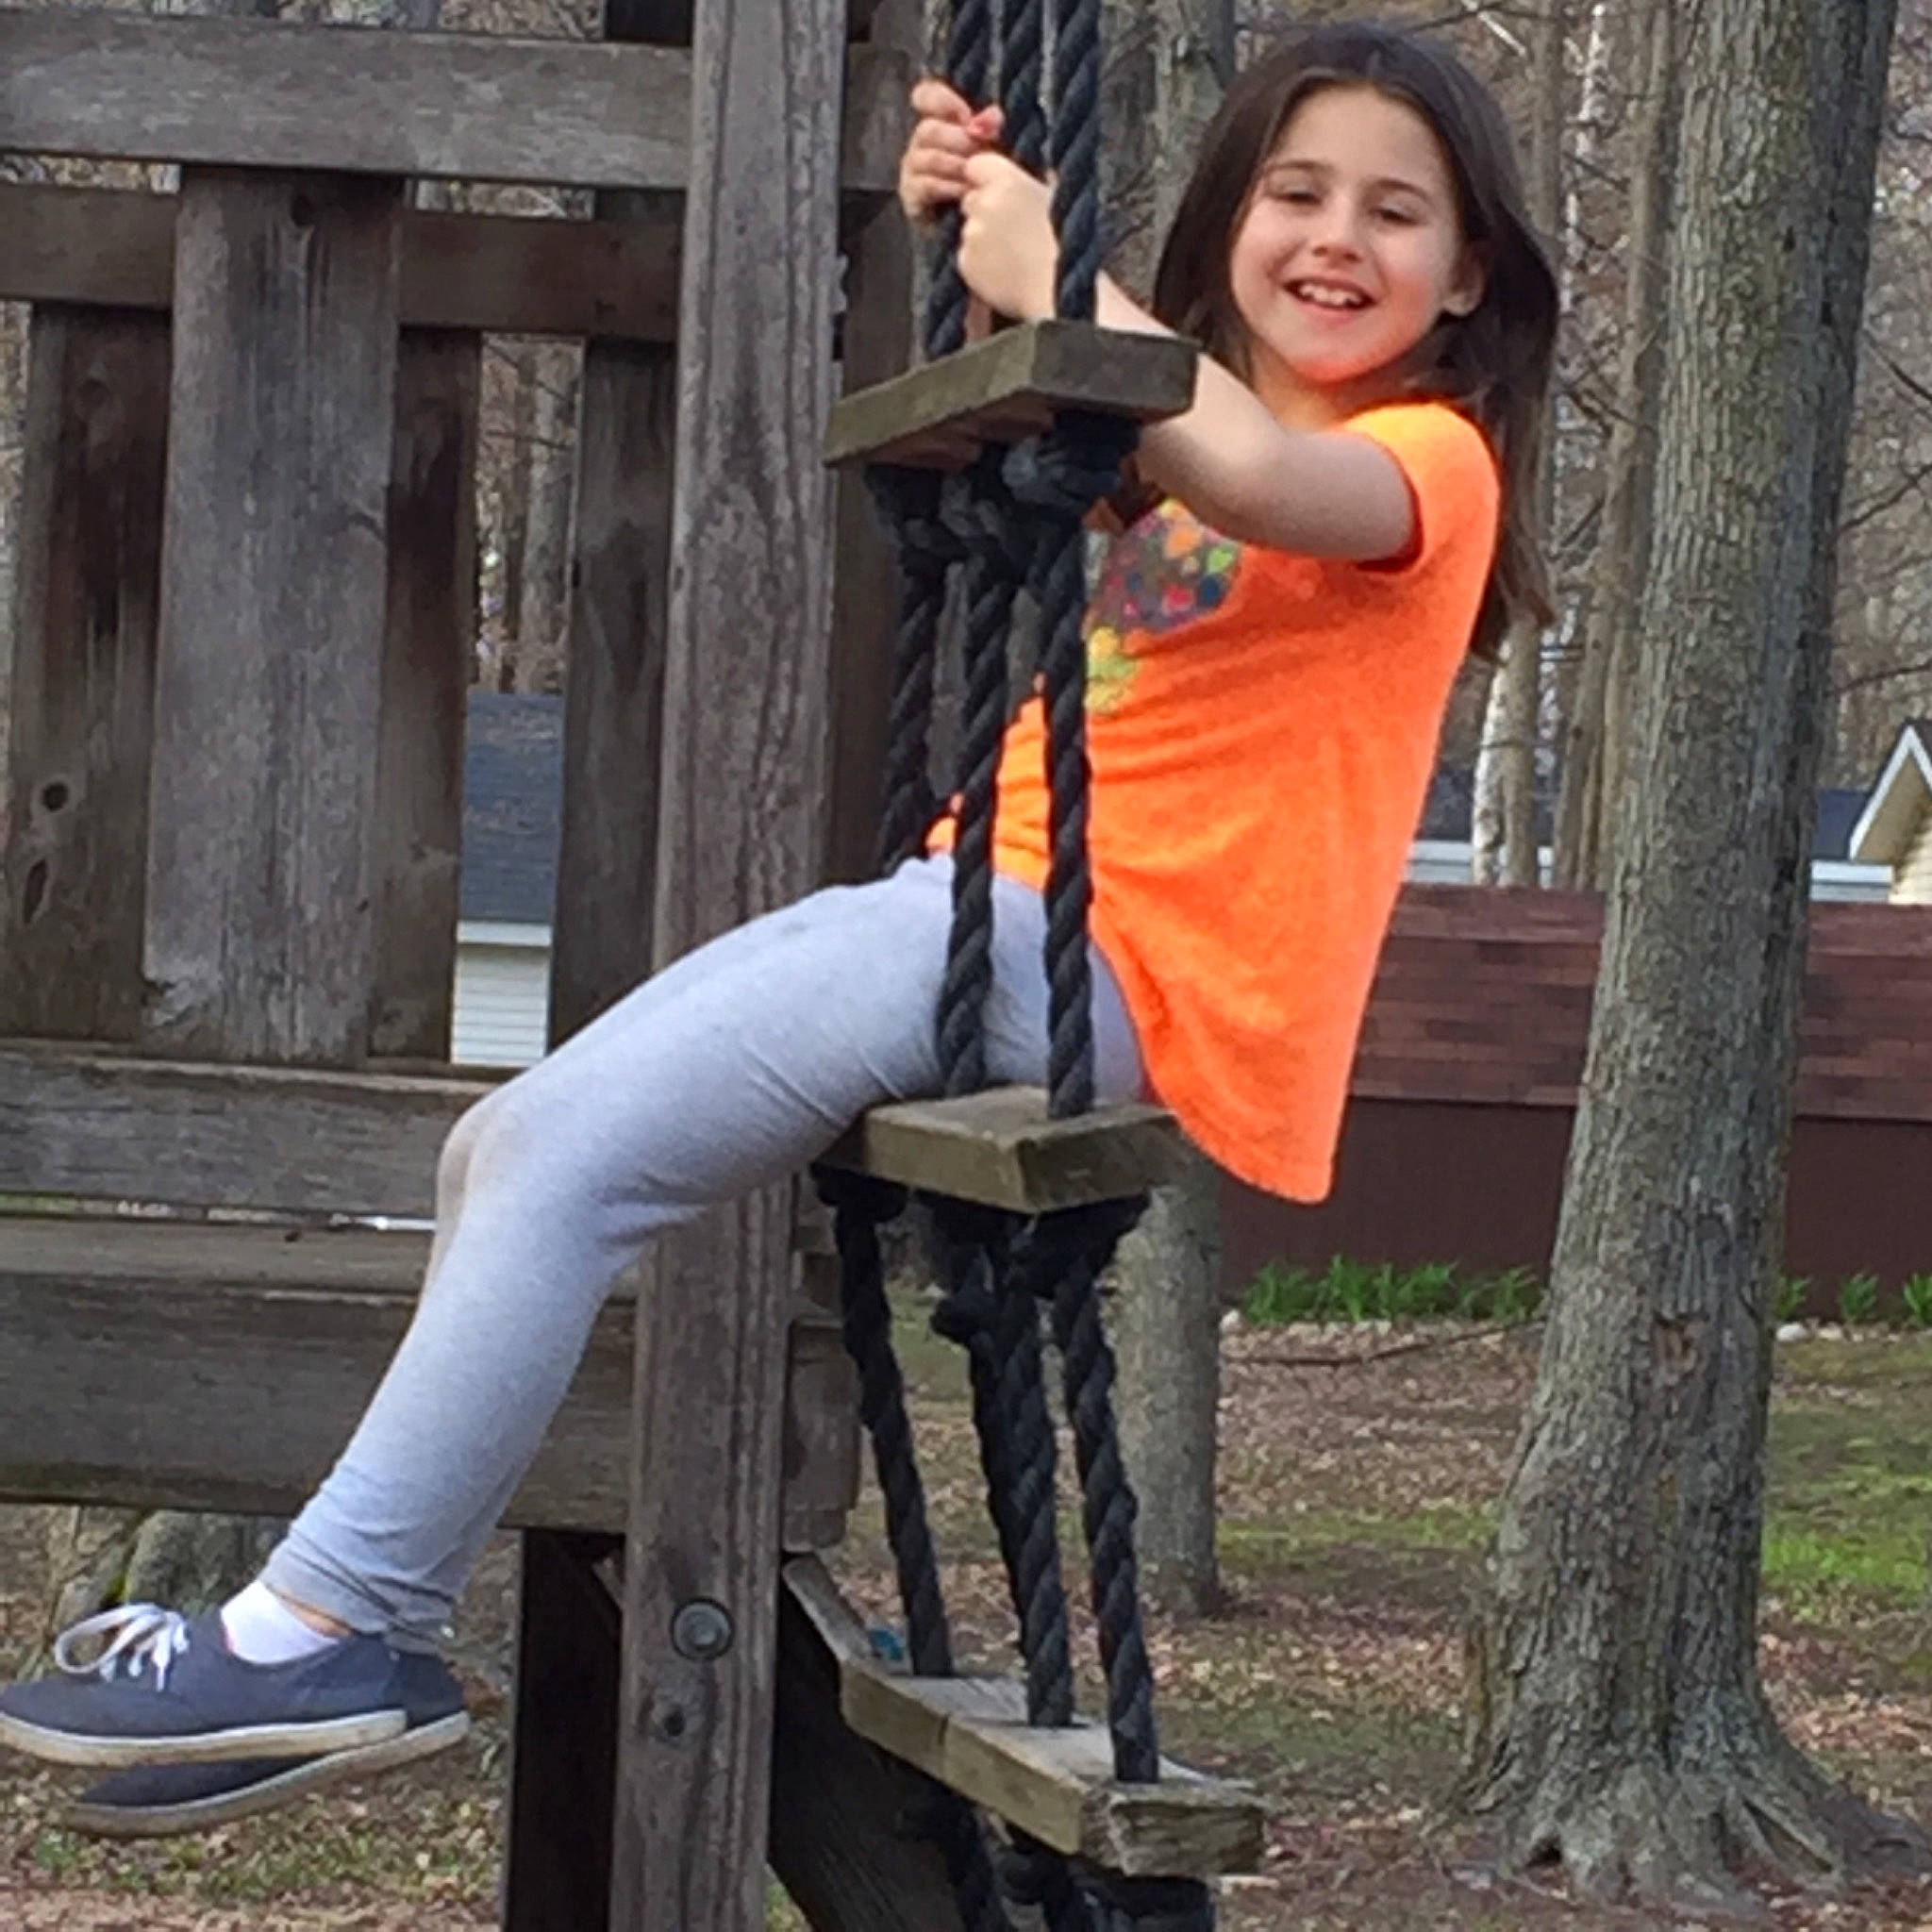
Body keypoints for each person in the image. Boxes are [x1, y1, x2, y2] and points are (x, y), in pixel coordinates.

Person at [0, 19, 1556, 1832]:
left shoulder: (1431, 469)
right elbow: (1143, 424)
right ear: (1228, 226)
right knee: (507, 1146)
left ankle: (329, 1625)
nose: (1335, 239)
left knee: (565, 1161)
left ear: (1464, 283)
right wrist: (972, 226)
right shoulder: (1171, 436)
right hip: (981, 913)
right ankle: (328, 1640)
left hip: (1113, 967)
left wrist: (1059, 271)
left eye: (1395, 212)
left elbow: (1265, 480)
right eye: (1296, 192)